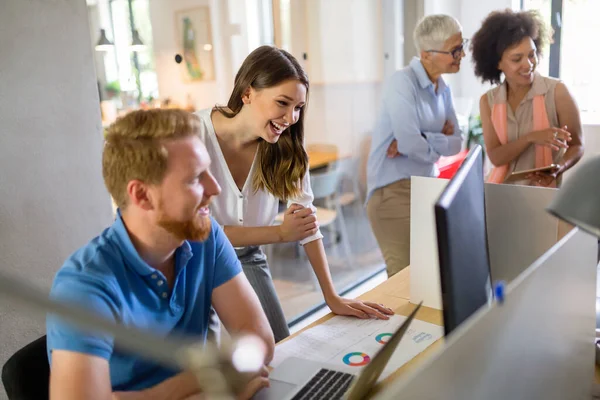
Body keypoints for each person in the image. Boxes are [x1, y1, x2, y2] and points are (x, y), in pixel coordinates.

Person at [46, 109, 274, 400]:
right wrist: (204, 379)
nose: (214, 188)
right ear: (141, 195)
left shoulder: (205, 234)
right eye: (195, 178)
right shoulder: (83, 286)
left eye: (209, 172)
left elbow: (259, 339)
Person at [195, 45, 394, 343]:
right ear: (247, 93)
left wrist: (332, 295)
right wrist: (279, 233)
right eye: (283, 103)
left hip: (247, 259)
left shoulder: (287, 149)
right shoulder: (193, 135)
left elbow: (306, 224)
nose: (291, 118)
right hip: (192, 262)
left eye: (298, 107)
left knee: (278, 350)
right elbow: (200, 231)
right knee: (203, 366)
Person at [366, 15, 465, 278]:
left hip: (425, 187)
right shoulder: (402, 82)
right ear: (426, 54)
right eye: (455, 50)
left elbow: (458, 142)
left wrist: (425, 137)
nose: (461, 54)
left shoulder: (443, 89)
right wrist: (423, 138)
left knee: (430, 278)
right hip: (393, 192)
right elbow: (409, 142)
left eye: (462, 46)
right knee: (405, 280)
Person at [471, 9, 584, 187]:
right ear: (497, 63)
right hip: (500, 193)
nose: (528, 64)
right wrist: (530, 138)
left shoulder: (557, 92)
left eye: (531, 55)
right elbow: (496, 157)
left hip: (542, 195)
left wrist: (558, 168)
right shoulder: (488, 101)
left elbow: (577, 146)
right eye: (517, 59)